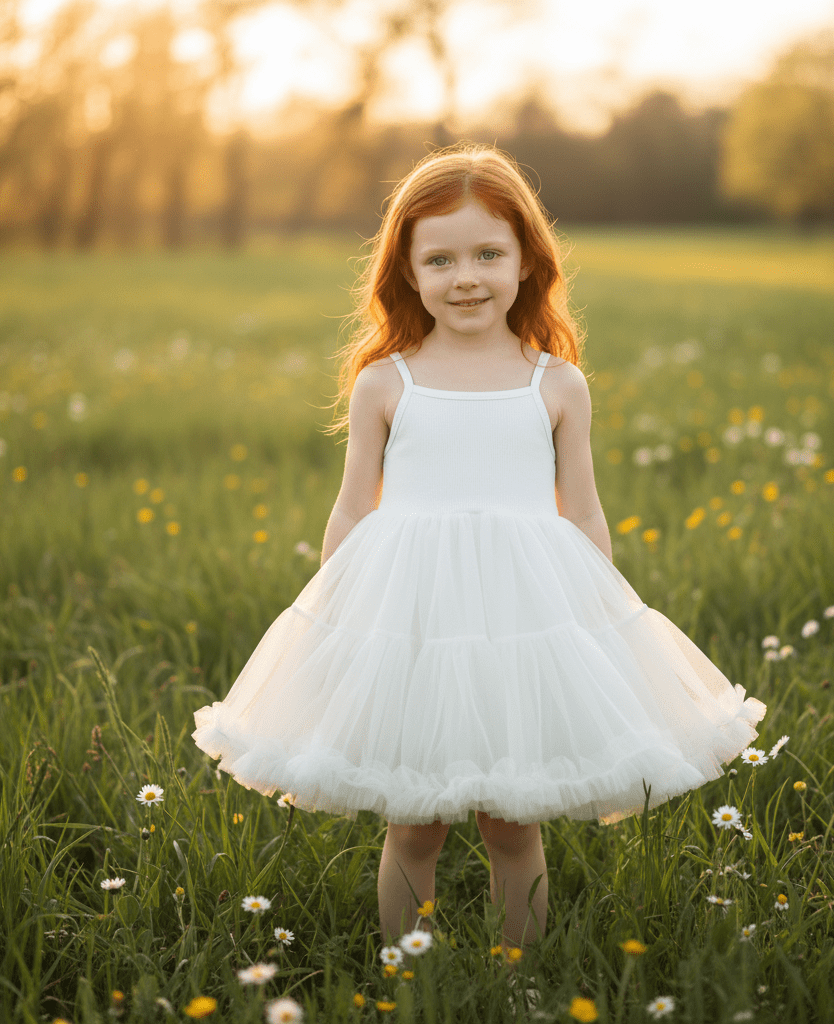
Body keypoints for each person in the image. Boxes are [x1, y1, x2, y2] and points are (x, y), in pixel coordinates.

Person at [191, 143, 766, 960]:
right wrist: (333, 619)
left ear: (528, 260)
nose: (466, 276)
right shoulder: (388, 382)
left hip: (522, 620)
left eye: (488, 254)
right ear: (408, 271)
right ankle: (406, 969)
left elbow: (584, 511)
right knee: (413, 822)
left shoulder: (555, 384)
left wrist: (595, 616)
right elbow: (355, 505)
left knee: (512, 820)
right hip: (413, 619)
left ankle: (516, 972)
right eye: (441, 258)